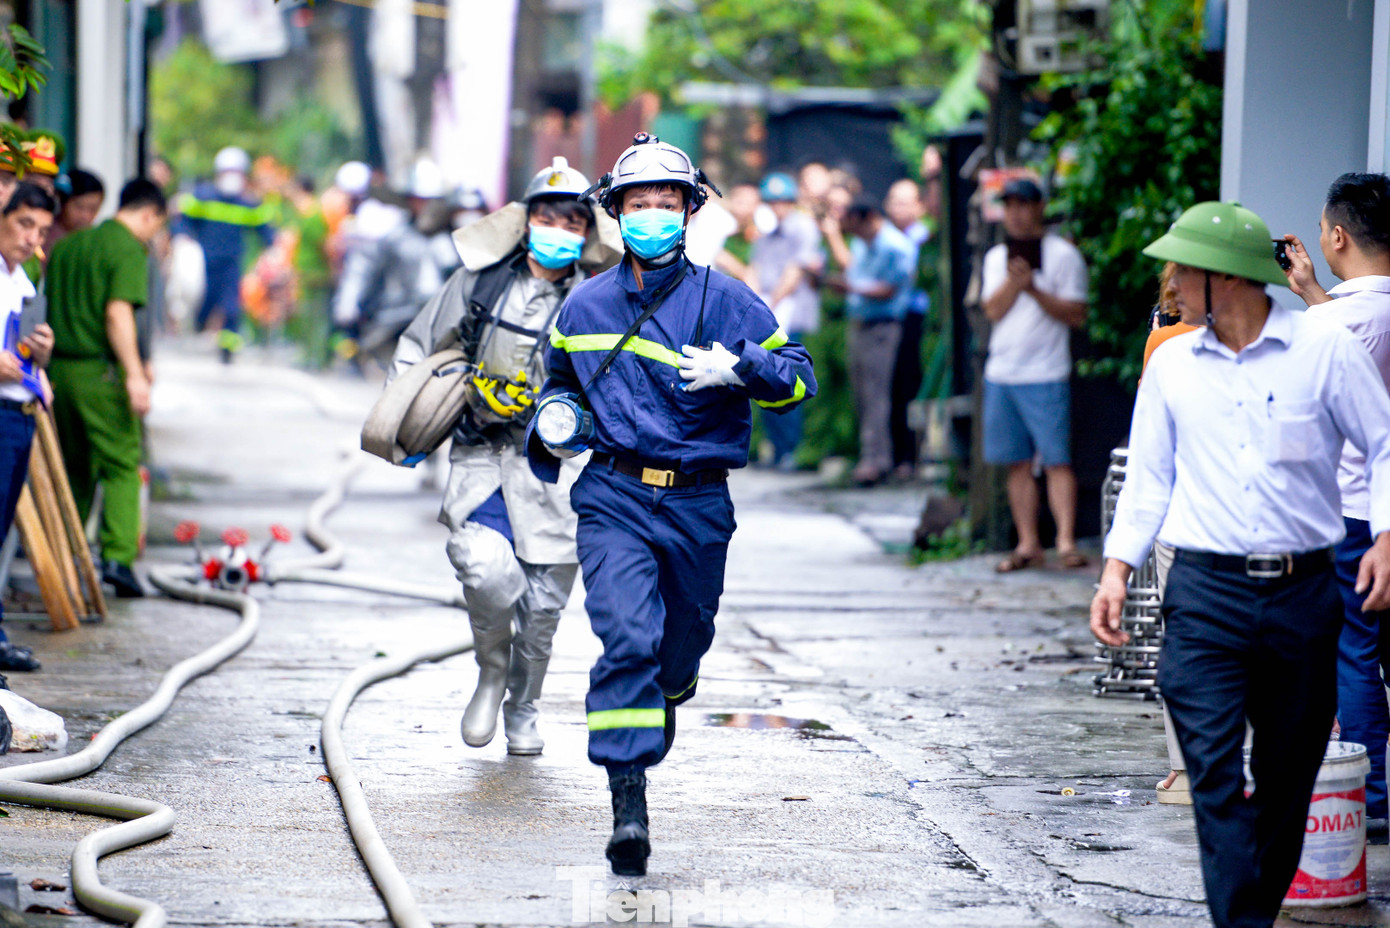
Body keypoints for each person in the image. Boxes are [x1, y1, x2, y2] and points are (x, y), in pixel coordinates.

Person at [1093, 200, 1390, 928]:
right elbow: (1150, 479)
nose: (1169, 280)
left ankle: (1248, 906)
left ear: (1222, 278)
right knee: (1214, 774)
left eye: (1180, 267)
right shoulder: (1172, 365)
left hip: (1302, 593)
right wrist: (1115, 569)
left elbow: (1385, 442)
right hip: (1204, 596)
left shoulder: (1322, 348)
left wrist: (1385, 535)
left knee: (1288, 780)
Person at [525, 133, 815, 876]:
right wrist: (558, 420)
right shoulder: (584, 306)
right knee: (626, 637)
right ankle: (628, 802)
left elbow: (800, 383)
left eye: (666, 202)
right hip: (615, 495)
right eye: (637, 204)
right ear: (615, 214)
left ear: (688, 211)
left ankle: (671, 685)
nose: (651, 214)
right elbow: (559, 380)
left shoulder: (727, 300)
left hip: (697, 506)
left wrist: (742, 367)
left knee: (677, 651)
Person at [389, 156, 606, 757]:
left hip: (563, 471)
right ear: (526, 219)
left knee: (541, 610)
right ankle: (489, 669)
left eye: (572, 219)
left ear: (587, 229)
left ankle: (524, 705)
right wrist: (405, 422)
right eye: (548, 216)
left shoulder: (601, 298)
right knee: (486, 569)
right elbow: (416, 346)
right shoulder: (479, 283)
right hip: (484, 458)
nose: (558, 228)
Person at [1281, 172, 1390, 831]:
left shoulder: (1334, 323)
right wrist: (1311, 291)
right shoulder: (1354, 311)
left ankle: (1371, 799)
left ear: (1339, 236)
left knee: (1354, 649)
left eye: (1323, 232)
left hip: (1356, 508)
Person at [46, 179, 167, 599]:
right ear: (149, 214)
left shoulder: (67, 247)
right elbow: (118, 315)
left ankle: (63, 557)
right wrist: (135, 374)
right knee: (120, 465)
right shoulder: (127, 248)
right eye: (156, 226)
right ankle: (117, 558)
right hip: (100, 375)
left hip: (59, 373)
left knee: (74, 469)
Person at [981, 178, 1089, 571]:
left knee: (1058, 460)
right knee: (1016, 463)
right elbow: (991, 310)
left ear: (1040, 207)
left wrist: (1034, 290)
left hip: (1046, 370)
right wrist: (1016, 282)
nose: (1016, 213)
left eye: (1023, 205)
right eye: (1009, 206)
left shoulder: (1063, 256)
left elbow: (1077, 314)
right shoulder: (997, 257)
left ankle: (1065, 541)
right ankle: (1028, 542)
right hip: (1002, 371)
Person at [0, 183, 56, 672]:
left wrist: (41, 352)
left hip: (20, 414)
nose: (31, 238)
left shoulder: (22, 280)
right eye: (23, 224)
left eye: (40, 230)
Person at [822, 197, 917, 486]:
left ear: (868, 218)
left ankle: (877, 460)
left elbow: (889, 290)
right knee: (863, 395)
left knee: (878, 395)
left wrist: (849, 286)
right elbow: (856, 277)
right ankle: (873, 456)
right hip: (860, 323)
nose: (855, 235)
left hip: (884, 326)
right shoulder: (862, 244)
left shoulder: (896, 246)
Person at [748, 172, 822, 468]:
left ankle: (793, 449)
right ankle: (777, 448)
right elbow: (754, 270)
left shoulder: (802, 227)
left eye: (782, 201)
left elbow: (795, 272)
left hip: (792, 315)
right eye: (772, 201)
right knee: (765, 379)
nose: (777, 207)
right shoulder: (765, 235)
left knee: (791, 379)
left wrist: (768, 305)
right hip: (770, 314)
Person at [174, 146, 275, 362]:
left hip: (232, 263)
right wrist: (182, 237)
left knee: (231, 307)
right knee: (204, 301)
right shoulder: (202, 196)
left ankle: (227, 348)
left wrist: (272, 250)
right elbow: (182, 221)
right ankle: (200, 327)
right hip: (204, 262)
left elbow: (266, 230)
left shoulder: (249, 204)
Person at [884, 178, 929, 480]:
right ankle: (899, 457)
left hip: (919, 319)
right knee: (894, 388)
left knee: (915, 386)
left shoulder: (927, 238)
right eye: (895, 201)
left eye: (906, 201)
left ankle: (916, 456)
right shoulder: (883, 238)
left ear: (920, 206)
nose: (900, 208)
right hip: (891, 319)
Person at [47, 168, 105, 257]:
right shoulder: (46, 237)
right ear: (63, 203)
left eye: (93, 209)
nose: (85, 216)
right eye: (79, 206)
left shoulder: (97, 242)